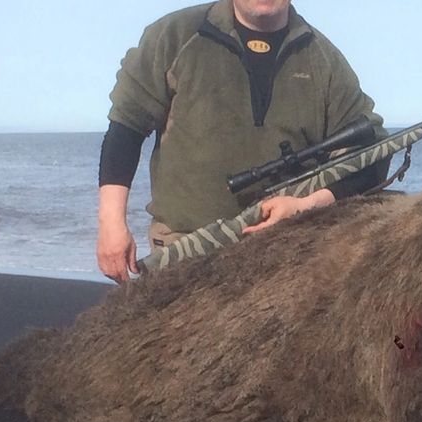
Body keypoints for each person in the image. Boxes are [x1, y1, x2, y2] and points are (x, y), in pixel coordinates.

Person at [96, 0, 387, 283]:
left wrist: (306, 204)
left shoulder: (323, 58)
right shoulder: (175, 36)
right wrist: (111, 225)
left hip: (287, 253)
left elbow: (372, 152)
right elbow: (125, 130)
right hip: (184, 250)